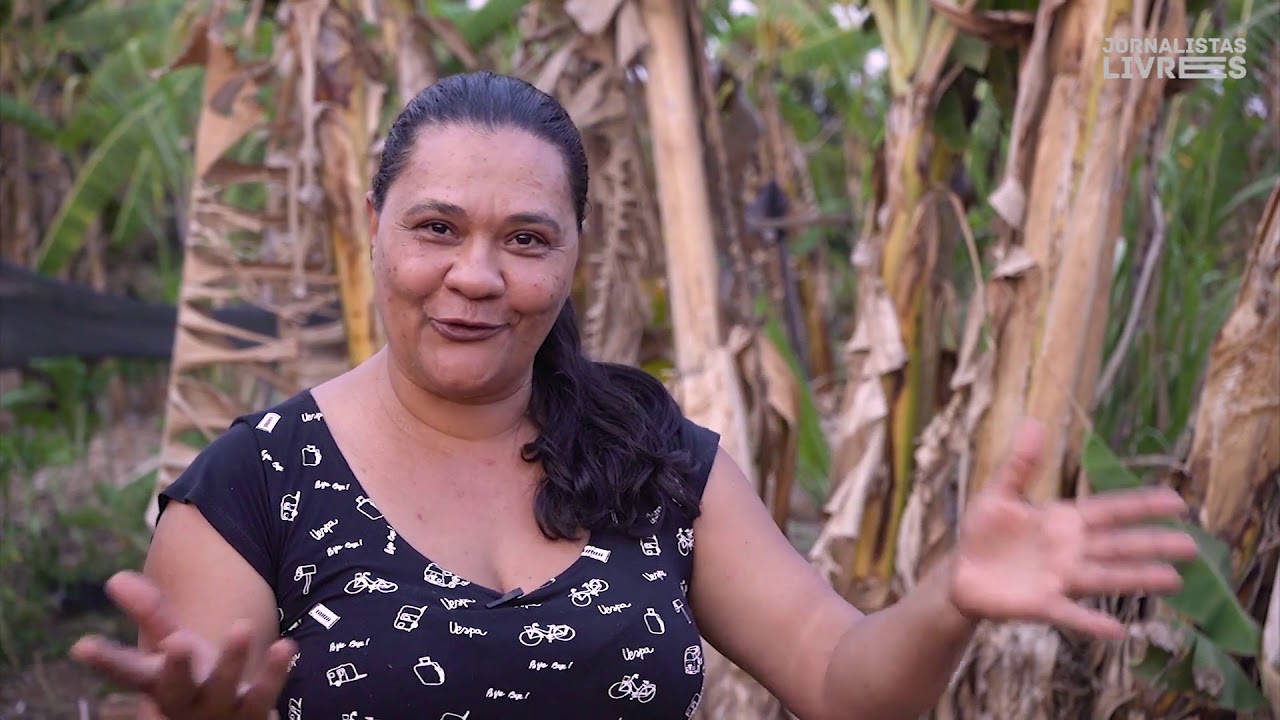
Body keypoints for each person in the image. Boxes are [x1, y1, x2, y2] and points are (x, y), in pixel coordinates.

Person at [70, 71, 1199, 720]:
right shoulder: (256, 482)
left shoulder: (644, 449)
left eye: (524, 238)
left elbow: (843, 684)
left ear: (571, 256)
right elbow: (200, 684)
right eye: (435, 228)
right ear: (373, 230)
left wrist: (950, 595)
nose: (476, 275)